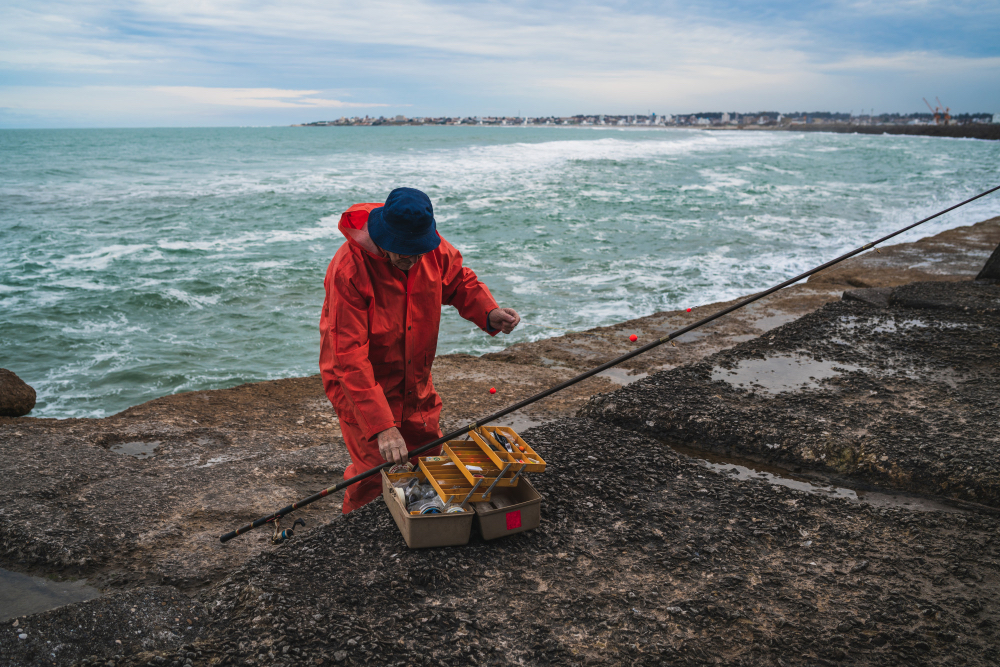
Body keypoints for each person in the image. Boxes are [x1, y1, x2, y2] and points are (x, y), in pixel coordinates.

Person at [319, 187, 520, 513]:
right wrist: (383, 427)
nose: (412, 261)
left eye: (418, 252)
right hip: (361, 387)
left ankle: (422, 525)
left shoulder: (431, 250)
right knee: (375, 473)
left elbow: (459, 282)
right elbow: (349, 357)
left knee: (428, 458)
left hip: (415, 379)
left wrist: (489, 312)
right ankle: (356, 539)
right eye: (403, 253)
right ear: (383, 237)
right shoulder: (349, 269)